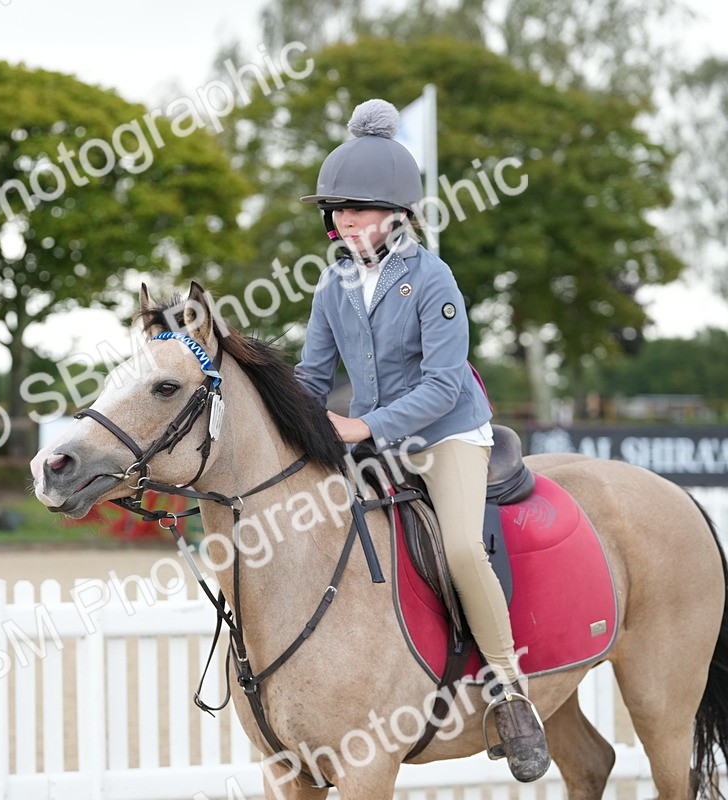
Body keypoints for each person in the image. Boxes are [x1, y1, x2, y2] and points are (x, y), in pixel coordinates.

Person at [294, 99, 550, 780]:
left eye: (358, 207)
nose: (344, 219)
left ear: (397, 215)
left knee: (464, 547)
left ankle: (510, 694)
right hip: (375, 441)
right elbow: (312, 374)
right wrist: (286, 418)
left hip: (447, 435)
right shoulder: (333, 283)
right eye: (337, 208)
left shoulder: (433, 279)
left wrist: (364, 426)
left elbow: (442, 384)